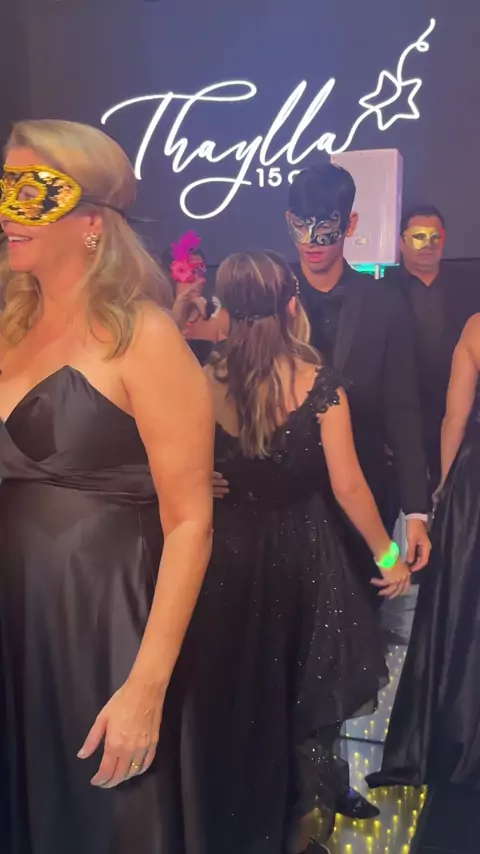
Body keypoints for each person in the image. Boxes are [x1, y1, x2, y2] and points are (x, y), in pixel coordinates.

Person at [0, 119, 213, 854]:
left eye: (31, 192)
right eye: (4, 187)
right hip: (17, 624)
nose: (7, 211)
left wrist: (147, 685)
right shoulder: (7, 326)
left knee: (104, 823)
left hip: (104, 627)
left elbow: (190, 523)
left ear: (92, 221)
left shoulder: (143, 335)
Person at [214, 165, 431, 819]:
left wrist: (416, 509)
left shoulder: (385, 302)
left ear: (351, 225)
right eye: (300, 228)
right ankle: (284, 792)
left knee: (336, 650)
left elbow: (405, 410)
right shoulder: (265, 292)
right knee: (272, 649)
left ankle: (324, 781)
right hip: (273, 508)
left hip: (356, 500)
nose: (312, 242)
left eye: (326, 229)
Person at [187, 249, 411, 853]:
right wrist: (388, 555)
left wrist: (202, 478)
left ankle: (238, 822)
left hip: (228, 553)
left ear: (225, 310)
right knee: (298, 699)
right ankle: (293, 831)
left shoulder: (203, 379)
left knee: (239, 692)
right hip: (303, 557)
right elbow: (349, 486)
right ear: (291, 306)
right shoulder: (317, 382)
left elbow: (180, 465)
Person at [367, 314, 480, 791]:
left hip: (476, 485)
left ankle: (457, 737)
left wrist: (444, 492)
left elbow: (455, 418)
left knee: (466, 611)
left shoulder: (476, 328)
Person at [384, 205, 480, 493]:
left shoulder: (471, 285)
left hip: (463, 418)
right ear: (401, 241)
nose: (428, 244)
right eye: (418, 236)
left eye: (435, 236)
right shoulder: (380, 291)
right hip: (403, 419)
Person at [164, 231, 229, 364]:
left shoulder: (218, 317)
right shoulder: (156, 319)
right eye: (192, 272)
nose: (200, 280)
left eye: (201, 272)